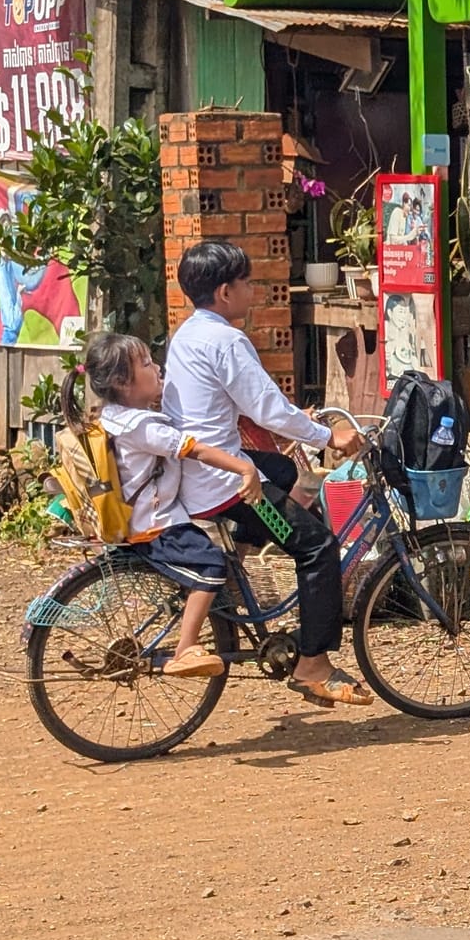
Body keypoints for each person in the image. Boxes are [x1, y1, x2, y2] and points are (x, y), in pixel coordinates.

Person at [165, 240, 370, 707]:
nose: (253, 290)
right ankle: (313, 665)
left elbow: (253, 406)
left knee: (279, 467)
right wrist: (326, 435)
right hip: (224, 485)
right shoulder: (227, 340)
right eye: (247, 283)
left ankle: (237, 561)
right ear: (224, 292)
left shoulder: (189, 334)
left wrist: (296, 418)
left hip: (203, 468)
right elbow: (266, 409)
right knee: (318, 546)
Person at [68, 331, 263, 679]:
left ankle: (218, 598)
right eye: (145, 363)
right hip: (158, 527)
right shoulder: (143, 427)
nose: (156, 366)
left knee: (229, 552)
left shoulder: (113, 416)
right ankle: (185, 648)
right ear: (122, 383)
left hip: (145, 520)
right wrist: (244, 467)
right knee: (211, 565)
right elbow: (195, 449)